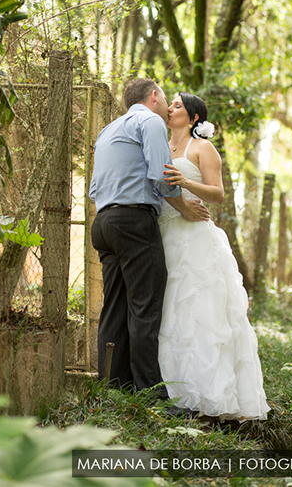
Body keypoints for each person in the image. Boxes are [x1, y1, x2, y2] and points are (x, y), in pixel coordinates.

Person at [88, 78, 210, 400]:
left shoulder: (107, 130)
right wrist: (183, 207)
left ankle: (113, 388)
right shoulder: (149, 121)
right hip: (133, 221)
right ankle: (150, 395)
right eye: (166, 99)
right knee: (145, 307)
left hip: (102, 223)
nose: (168, 107)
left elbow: (92, 190)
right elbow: (161, 174)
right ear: (153, 96)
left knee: (113, 308)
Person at [156, 92, 270, 420]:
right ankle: (170, 390)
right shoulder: (161, 144)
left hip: (194, 238)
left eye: (177, 106)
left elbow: (218, 194)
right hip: (163, 235)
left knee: (196, 313)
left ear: (193, 118)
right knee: (168, 313)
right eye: (171, 104)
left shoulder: (203, 148)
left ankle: (205, 397)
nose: (170, 109)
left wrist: (184, 182)